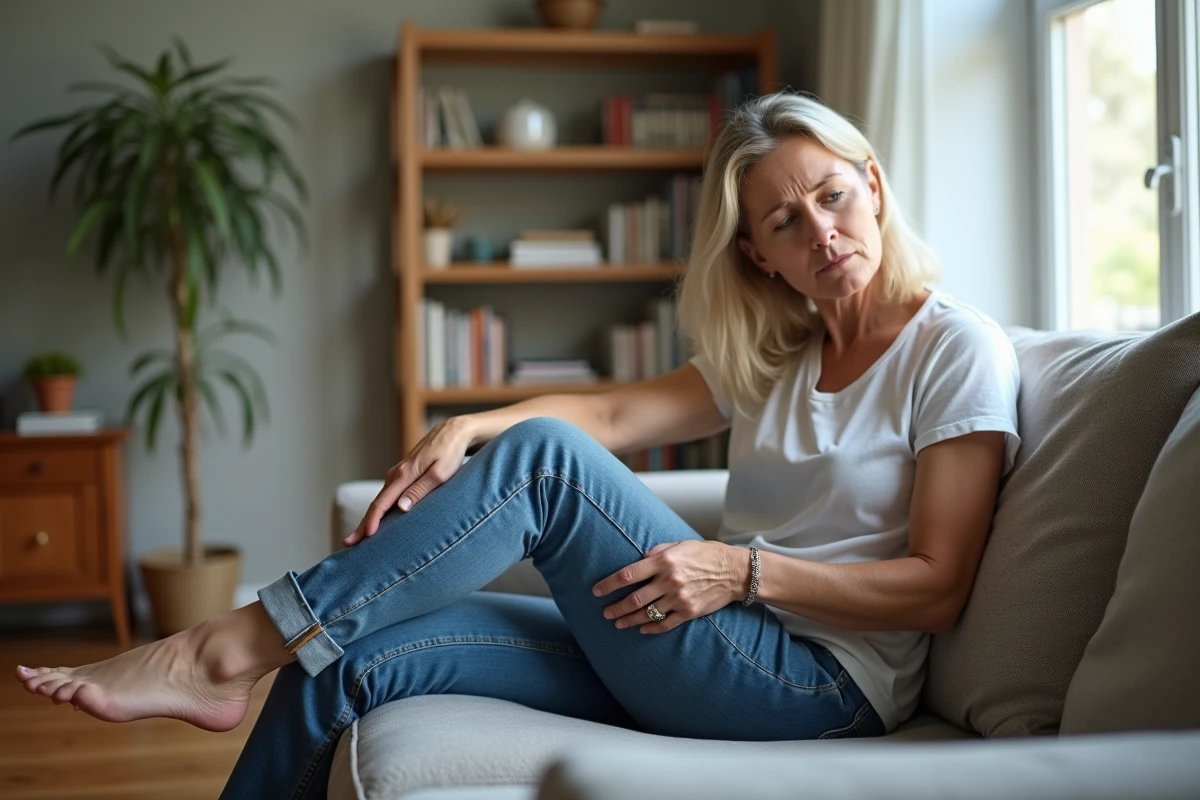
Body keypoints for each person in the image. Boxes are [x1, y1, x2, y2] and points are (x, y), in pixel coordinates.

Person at [15, 92, 1020, 799]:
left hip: (820, 688)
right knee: (345, 665)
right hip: (696, 648)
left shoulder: (953, 349)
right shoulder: (783, 349)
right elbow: (620, 416)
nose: (821, 231)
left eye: (833, 196)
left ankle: (221, 645)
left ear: (875, 188)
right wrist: (475, 421)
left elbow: (935, 584)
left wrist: (740, 568)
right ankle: (250, 660)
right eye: (785, 220)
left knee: (545, 459)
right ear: (756, 253)